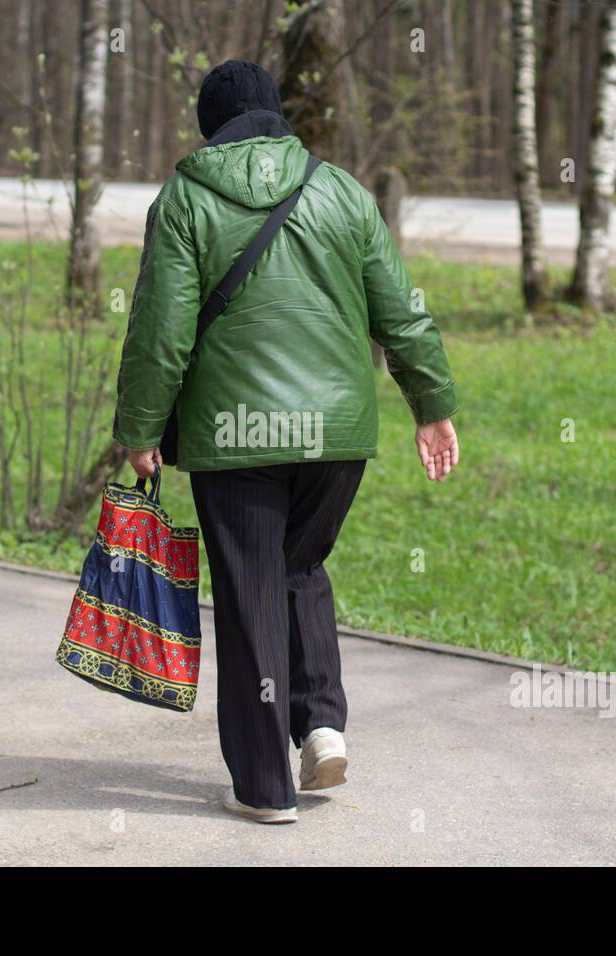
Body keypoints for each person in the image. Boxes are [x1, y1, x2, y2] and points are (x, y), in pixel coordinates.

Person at [112, 60, 458, 824]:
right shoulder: (340, 190)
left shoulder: (186, 198)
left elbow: (161, 332)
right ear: (277, 116)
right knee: (300, 565)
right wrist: (430, 403)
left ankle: (266, 787)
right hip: (335, 437)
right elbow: (401, 311)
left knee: (250, 593)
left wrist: (139, 429)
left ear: (211, 127)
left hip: (237, 436)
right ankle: (323, 724)